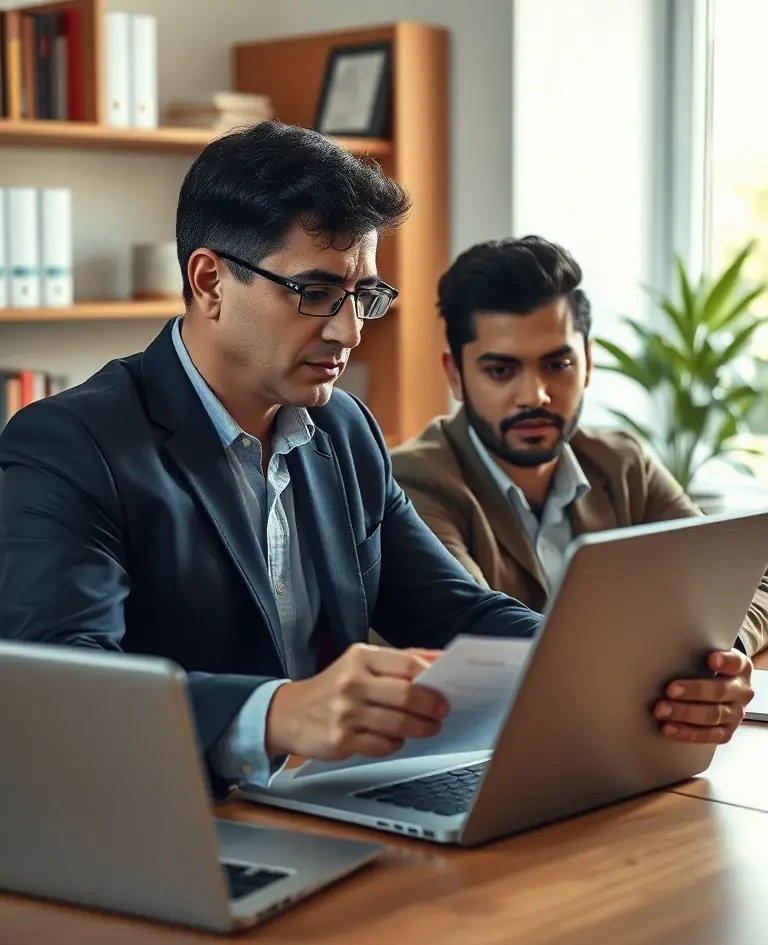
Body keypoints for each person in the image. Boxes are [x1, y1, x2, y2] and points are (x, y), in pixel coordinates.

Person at [0, 135, 750, 804]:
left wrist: (648, 674)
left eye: (364, 294)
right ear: (208, 282)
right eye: (316, 292)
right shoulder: (67, 444)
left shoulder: (342, 428)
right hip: (165, 827)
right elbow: (65, 689)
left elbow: (460, 614)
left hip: (325, 813)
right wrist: (279, 711)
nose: (349, 329)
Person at [390, 234, 760, 740]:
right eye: (501, 370)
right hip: (485, 750)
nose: (535, 395)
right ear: (455, 375)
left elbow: (739, 581)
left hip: (634, 742)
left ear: (588, 361)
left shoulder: (622, 462)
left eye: (556, 364)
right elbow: (480, 652)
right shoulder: (413, 481)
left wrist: (723, 655)